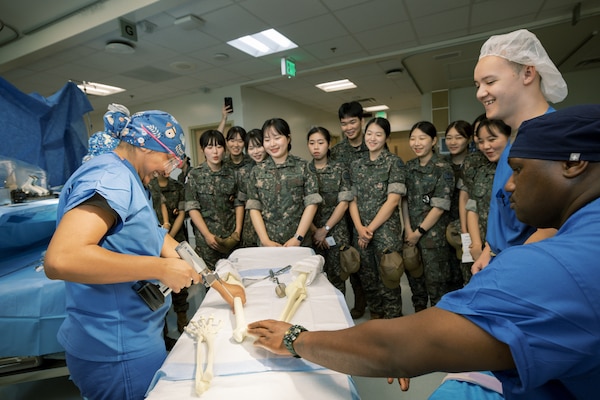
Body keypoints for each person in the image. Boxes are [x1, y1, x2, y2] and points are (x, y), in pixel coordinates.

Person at [249, 104, 600, 399]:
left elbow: (403, 348)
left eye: (519, 170)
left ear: (573, 163)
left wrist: (296, 338)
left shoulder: (559, 265)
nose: (507, 185)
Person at [44, 110, 245, 400]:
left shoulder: (131, 179)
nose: (168, 171)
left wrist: (217, 283)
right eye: (168, 159)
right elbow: (61, 259)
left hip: (131, 336)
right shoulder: (111, 178)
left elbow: (159, 238)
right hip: (115, 346)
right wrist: (160, 269)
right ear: (144, 145)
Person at [471, 28, 568, 274]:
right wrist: (488, 251)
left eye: (490, 82)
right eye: (478, 84)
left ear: (527, 73)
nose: (480, 93)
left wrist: (506, 269)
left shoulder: (552, 137)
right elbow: (503, 211)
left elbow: (553, 226)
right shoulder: (515, 139)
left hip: (526, 270)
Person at [348, 117, 405, 319]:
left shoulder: (394, 163)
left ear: (386, 137)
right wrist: (359, 227)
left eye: (378, 134)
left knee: (388, 276)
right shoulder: (356, 165)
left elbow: (393, 201)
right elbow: (351, 199)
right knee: (367, 277)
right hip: (360, 229)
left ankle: (394, 321)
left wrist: (369, 229)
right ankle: (376, 317)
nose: (372, 138)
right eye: (369, 134)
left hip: (385, 232)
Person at [401, 121, 455, 309]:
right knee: (416, 287)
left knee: (437, 286)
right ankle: (419, 326)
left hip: (434, 239)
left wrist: (418, 232)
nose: (416, 143)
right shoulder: (408, 167)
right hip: (410, 236)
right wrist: (408, 230)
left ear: (433, 141)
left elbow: (439, 207)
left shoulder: (443, 168)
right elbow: (404, 201)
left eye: (422, 138)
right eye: (413, 138)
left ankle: (438, 331)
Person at [246, 118, 322, 247]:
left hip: (300, 242)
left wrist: (298, 238)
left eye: (277, 137)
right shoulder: (257, 171)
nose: (272, 144)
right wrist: (265, 241)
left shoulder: (304, 167)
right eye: (267, 139)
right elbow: (254, 207)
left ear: (288, 138)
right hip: (268, 244)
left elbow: (312, 204)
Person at [330, 101, 369, 319]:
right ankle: (360, 302)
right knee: (352, 262)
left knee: (373, 264)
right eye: (344, 124)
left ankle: (376, 302)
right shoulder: (336, 152)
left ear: (361, 121)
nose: (348, 128)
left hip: (370, 213)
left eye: (353, 122)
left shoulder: (373, 145)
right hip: (344, 218)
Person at [185, 129, 244, 269]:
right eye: (210, 147)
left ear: (224, 148)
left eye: (219, 146)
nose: (215, 152)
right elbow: (192, 208)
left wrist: (237, 231)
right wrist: (207, 235)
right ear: (202, 149)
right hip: (207, 240)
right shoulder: (195, 175)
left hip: (231, 238)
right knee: (211, 281)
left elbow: (239, 202)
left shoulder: (233, 173)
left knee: (235, 276)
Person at [306, 126, 352, 293]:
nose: (316, 147)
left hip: (336, 232)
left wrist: (325, 230)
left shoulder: (340, 169)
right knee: (314, 280)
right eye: (312, 143)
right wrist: (315, 231)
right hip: (311, 233)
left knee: (337, 279)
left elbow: (344, 202)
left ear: (329, 144)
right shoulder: (304, 170)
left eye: (320, 142)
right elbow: (300, 206)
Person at [464, 119, 511, 266]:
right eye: (481, 142)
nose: (486, 146)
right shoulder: (483, 172)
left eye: (492, 139)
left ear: (509, 136)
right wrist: (477, 244)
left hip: (511, 247)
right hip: (483, 246)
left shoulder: (518, 170)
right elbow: (472, 208)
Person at [148, 174, 189, 336]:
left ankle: (182, 318)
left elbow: (174, 213)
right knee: (157, 289)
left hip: (172, 238)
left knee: (181, 282)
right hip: (153, 243)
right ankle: (163, 333)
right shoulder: (147, 185)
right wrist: (162, 237)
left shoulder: (177, 186)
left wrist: (166, 234)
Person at [442, 120, 473, 288]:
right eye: (449, 138)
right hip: (443, 224)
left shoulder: (475, 163)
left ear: (469, 139)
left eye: (458, 137)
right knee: (449, 274)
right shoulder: (441, 164)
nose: (453, 142)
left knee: (468, 271)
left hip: (470, 225)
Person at [237, 128, 268, 247]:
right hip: (251, 229)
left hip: (272, 227)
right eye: (251, 148)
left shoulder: (275, 168)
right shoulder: (244, 172)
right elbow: (241, 202)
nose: (256, 152)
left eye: (259, 146)